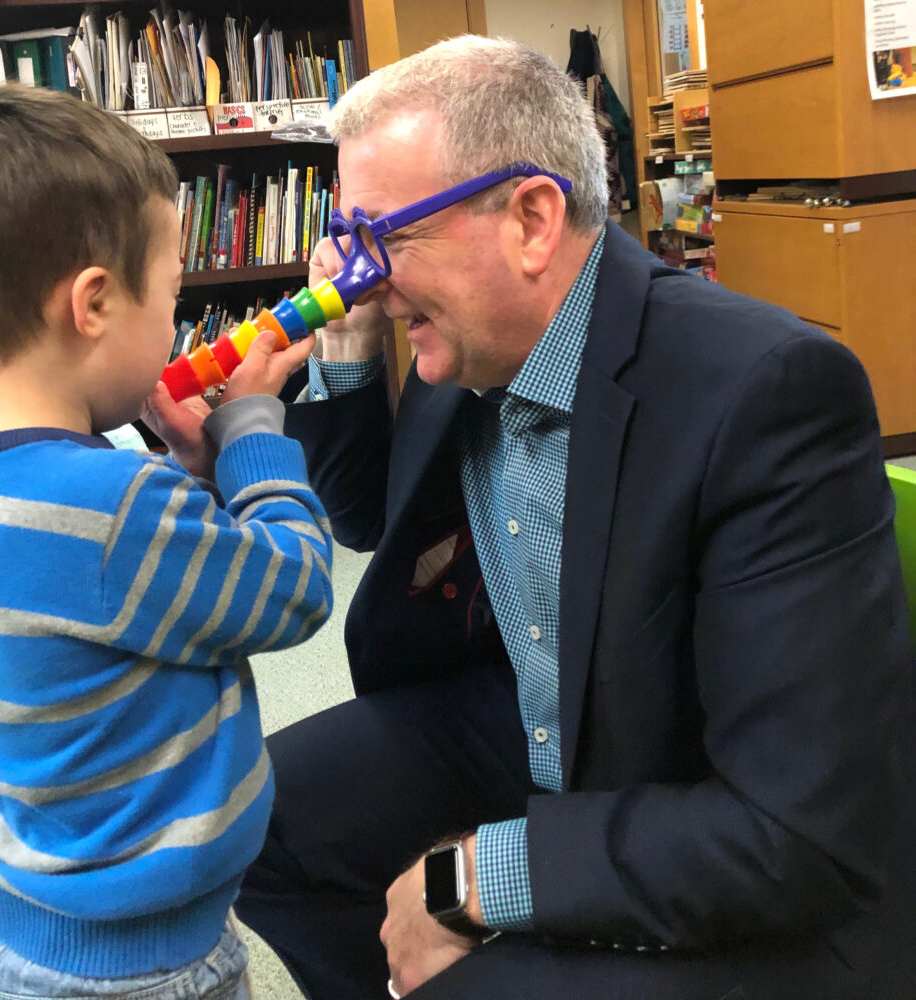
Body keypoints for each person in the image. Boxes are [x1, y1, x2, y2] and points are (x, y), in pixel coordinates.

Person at [167, 36, 912, 1000]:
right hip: (537, 722)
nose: (360, 277)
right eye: (347, 239)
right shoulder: (473, 347)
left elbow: (796, 833)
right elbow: (370, 525)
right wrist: (336, 364)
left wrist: (476, 878)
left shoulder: (764, 393)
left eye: (380, 236)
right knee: (258, 826)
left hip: (699, 800)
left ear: (529, 219)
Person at [0, 83, 333, 1000]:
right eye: (171, 296)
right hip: (146, 959)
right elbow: (289, 586)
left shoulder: (60, 493)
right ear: (93, 303)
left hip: (19, 916)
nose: (176, 325)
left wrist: (185, 467)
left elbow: (113, 592)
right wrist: (252, 432)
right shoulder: (113, 505)